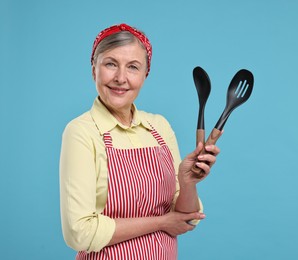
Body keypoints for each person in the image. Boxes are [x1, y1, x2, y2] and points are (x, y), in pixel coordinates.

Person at [59, 23, 221, 259]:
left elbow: (186, 219)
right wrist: (162, 222)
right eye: (110, 64)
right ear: (94, 69)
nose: (120, 78)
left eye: (133, 67)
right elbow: (80, 233)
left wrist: (187, 183)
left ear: (145, 74)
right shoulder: (82, 132)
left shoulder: (159, 127)